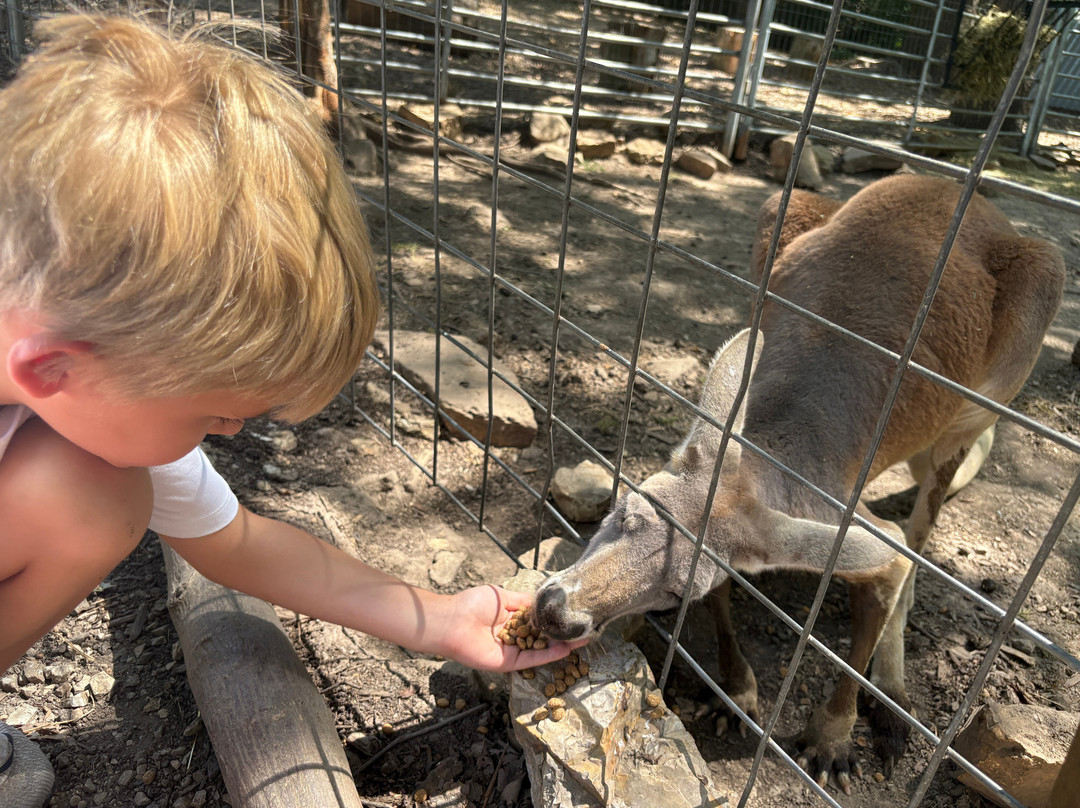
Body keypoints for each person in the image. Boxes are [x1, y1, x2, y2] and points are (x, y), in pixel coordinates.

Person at [0, 12, 581, 801]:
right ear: (54, 372)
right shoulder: (86, 398)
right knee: (84, 498)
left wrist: (440, 618)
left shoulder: (82, 379)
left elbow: (236, 545)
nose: (230, 431)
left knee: (93, 496)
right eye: (214, 414)